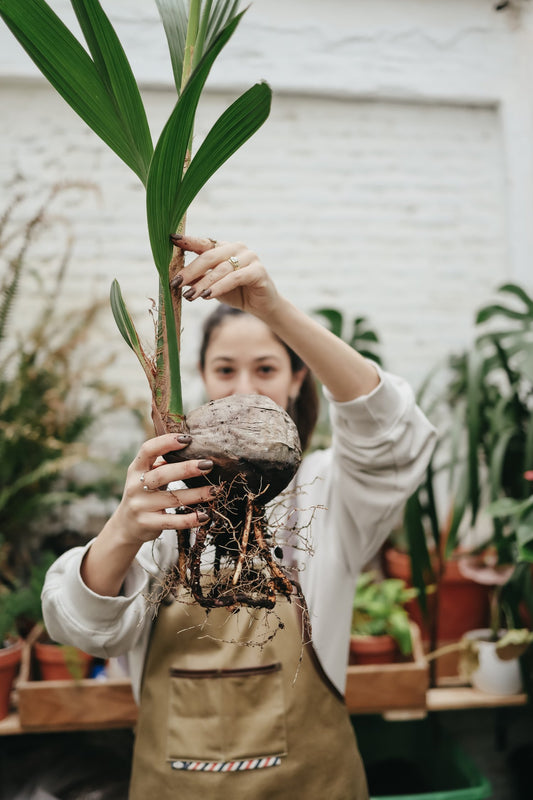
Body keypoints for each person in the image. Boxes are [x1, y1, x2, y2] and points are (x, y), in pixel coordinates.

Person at [42, 237, 437, 799]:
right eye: (225, 369)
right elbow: (80, 627)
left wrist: (275, 309)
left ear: (298, 378)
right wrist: (125, 529)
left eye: (268, 367)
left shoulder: (328, 491)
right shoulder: (162, 500)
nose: (246, 388)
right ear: (200, 375)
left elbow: (394, 433)